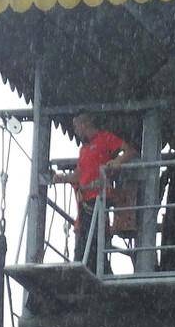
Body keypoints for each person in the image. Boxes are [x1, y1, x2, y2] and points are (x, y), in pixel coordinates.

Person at [53, 114, 137, 273]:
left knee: (95, 244)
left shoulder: (105, 138)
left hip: (98, 200)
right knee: (84, 244)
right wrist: (63, 178)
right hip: (84, 203)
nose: (76, 130)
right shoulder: (83, 149)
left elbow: (129, 151)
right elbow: (79, 174)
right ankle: (88, 271)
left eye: (76, 126)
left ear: (84, 124)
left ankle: (93, 272)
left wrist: (117, 161)